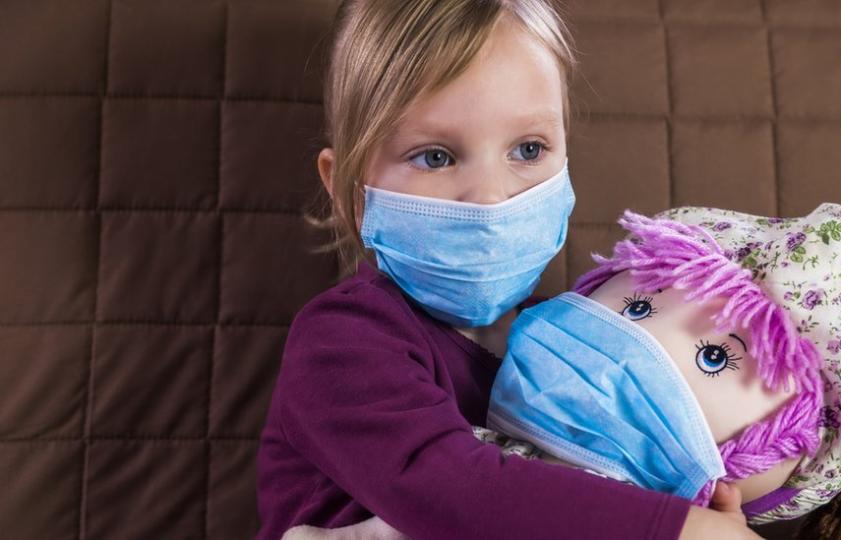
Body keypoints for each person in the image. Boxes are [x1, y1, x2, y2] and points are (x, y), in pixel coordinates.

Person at [255, 1, 762, 539]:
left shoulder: (571, 336)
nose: (492, 199)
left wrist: (714, 501)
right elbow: (453, 493)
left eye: (527, 148)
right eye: (435, 157)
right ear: (347, 192)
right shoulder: (340, 342)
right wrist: (681, 530)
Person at [283, 203, 841, 539]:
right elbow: (449, 488)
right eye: (635, 306)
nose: (481, 196)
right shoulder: (352, 335)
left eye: (716, 357)